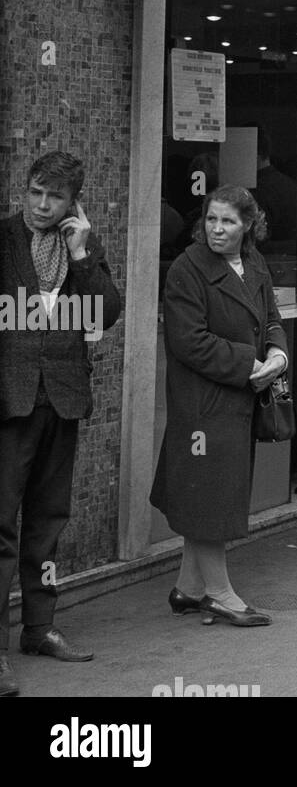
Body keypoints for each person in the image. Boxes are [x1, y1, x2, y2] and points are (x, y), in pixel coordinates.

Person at [0, 152, 122, 693]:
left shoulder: (83, 248)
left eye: (55, 197)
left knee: (48, 521)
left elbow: (105, 313)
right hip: (8, 402)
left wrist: (80, 257)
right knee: (1, 526)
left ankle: (40, 628)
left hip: (63, 399)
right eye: (35, 192)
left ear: (73, 202)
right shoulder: (3, 240)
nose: (42, 205)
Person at [152, 185, 287, 627]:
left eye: (228, 221)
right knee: (210, 498)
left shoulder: (255, 263)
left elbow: (271, 319)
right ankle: (220, 594)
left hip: (236, 397)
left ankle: (188, 588)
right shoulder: (187, 269)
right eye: (211, 219)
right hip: (203, 404)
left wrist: (279, 355)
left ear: (248, 224)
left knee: (212, 493)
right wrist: (251, 362)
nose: (217, 229)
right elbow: (187, 341)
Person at [251, 129, 297, 254]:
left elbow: (258, 243)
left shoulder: (258, 191)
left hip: (269, 264)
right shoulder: (291, 186)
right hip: (294, 262)